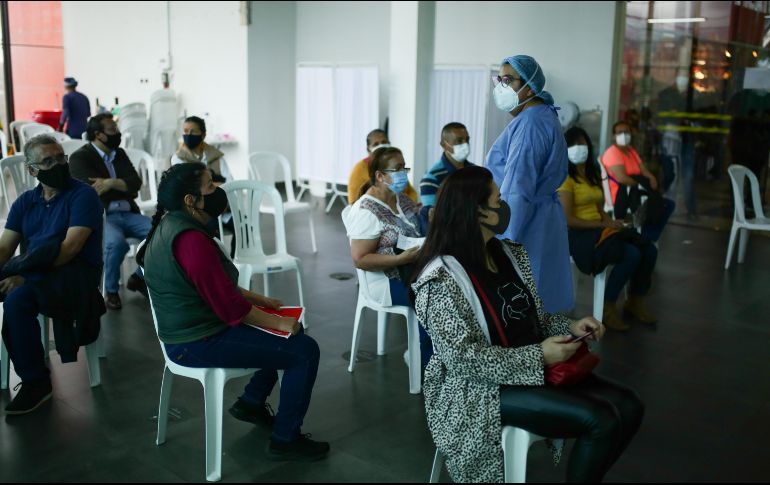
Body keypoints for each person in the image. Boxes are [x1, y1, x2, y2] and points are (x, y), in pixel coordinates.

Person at [410, 166, 644, 483]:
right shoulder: (441, 279)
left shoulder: (509, 254)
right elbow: (462, 359)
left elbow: (535, 319)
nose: (505, 205)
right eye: (498, 199)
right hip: (478, 389)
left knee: (629, 407)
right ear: (478, 212)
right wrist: (539, 356)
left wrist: (571, 326)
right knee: (600, 420)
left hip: (528, 366)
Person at [137, 162, 329, 461]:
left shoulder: (171, 225)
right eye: (210, 187)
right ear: (191, 200)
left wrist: (263, 301)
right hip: (195, 342)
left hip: (194, 330)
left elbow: (214, 287)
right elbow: (231, 309)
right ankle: (285, 439)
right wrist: (278, 321)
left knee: (285, 333)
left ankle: (251, 402)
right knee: (304, 350)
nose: (218, 190)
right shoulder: (190, 241)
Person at [0, 134, 105, 415]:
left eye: (60, 157)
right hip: (38, 267)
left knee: (17, 299)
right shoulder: (25, 202)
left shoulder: (83, 195)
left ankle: (36, 382)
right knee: (11, 285)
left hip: (75, 273)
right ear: (32, 170)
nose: (58, 164)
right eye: (48, 161)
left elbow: (70, 249)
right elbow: (5, 246)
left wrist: (27, 277)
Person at [485, 54, 573, 314]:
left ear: (530, 86)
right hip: (541, 216)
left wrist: (504, 242)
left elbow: (516, 189)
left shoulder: (531, 124)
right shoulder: (542, 116)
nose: (501, 86)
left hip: (524, 220)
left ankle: (527, 351)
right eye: (499, 79)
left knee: (522, 299)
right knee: (541, 290)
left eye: (508, 79)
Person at [558, 127, 658, 330]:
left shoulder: (591, 174)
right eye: (574, 144)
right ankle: (608, 306)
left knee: (649, 250)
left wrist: (610, 221)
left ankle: (635, 301)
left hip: (599, 228)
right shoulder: (564, 178)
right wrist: (603, 224)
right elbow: (568, 220)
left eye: (583, 143)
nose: (580, 148)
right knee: (630, 254)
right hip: (578, 234)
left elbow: (597, 206)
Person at [342, 146, 431, 367]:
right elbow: (360, 259)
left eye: (404, 168)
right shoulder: (366, 211)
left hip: (412, 271)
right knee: (431, 298)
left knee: (449, 288)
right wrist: (400, 260)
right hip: (386, 280)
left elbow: (416, 226)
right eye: (397, 169)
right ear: (380, 176)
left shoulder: (399, 199)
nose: (403, 174)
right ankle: (423, 360)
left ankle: (435, 355)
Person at [69, 113, 150, 310]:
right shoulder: (81, 157)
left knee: (160, 233)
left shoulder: (119, 154)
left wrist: (110, 183)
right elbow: (90, 191)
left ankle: (138, 277)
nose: (118, 134)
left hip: (129, 213)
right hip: (103, 216)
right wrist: (122, 186)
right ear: (98, 135)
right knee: (115, 243)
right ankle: (110, 291)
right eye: (113, 130)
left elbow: (136, 184)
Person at [601, 121, 675, 242]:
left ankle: (648, 235)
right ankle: (647, 237)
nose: (623, 135)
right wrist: (642, 185)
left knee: (667, 204)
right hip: (622, 194)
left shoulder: (631, 151)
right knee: (660, 204)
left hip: (635, 190)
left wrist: (651, 178)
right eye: (620, 132)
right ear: (614, 136)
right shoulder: (612, 153)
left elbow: (643, 170)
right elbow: (622, 178)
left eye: (626, 132)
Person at [418, 122, 475, 234]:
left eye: (467, 140)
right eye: (459, 141)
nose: (465, 144)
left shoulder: (475, 172)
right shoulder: (431, 177)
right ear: (444, 145)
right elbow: (432, 217)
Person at [656, 69, 697, 217]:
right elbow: (661, 117)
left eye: (686, 75)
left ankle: (689, 209)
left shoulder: (694, 95)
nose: (684, 78)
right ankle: (664, 204)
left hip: (686, 139)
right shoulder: (666, 94)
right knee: (670, 173)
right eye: (682, 75)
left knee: (687, 175)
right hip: (670, 139)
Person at [347, 129, 418, 205]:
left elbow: (411, 192)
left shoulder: (396, 168)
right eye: (376, 144)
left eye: (384, 142)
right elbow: (353, 201)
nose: (381, 146)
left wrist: (409, 207)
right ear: (368, 149)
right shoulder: (359, 169)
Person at [170, 116, 233, 184]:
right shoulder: (178, 158)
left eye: (193, 131)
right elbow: (186, 186)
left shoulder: (216, 157)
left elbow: (230, 183)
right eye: (186, 131)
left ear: (203, 135)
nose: (189, 135)